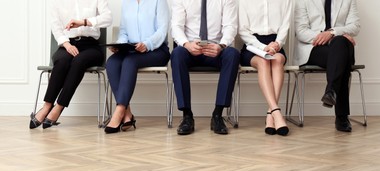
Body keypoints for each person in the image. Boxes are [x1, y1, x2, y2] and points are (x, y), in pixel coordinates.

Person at [29, 0, 112, 129]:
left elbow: (108, 18)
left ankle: (59, 107)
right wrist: (67, 45)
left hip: (91, 46)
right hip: (67, 44)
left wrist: (83, 22)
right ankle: (47, 106)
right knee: (62, 61)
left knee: (78, 61)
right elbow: (55, 26)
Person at [170, 0, 240, 135]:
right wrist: (186, 44)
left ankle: (218, 115)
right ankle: (187, 116)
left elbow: (230, 26)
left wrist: (221, 46)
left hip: (215, 49)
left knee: (233, 54)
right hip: (191, 49)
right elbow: (176, 26)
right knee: (177, 54)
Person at [104, 0, 171, 134]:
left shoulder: (159, 1)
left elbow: (163, 29)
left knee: (129, 62)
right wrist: (120, 45)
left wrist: (147, 43)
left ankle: (119, 110)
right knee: (111, 62)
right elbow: (123, 31)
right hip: (133, 50)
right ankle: (128, 114)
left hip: (157, 50)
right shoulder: (127, 3)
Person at [294, 0, 361, 132]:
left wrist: (333, 32)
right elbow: (301, 31)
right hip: (314, 48)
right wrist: (327, 37)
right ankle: (342, 116)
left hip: (341, 47)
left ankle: (331, 91)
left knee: (340, 45)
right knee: (341, 54)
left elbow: (355, 26)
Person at [238, 0, 292, 136]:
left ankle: (270, 114)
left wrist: (277, 45)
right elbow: (243, 31)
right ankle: (276, 112)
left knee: (278, 60)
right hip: (252, 45)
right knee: (263, 62)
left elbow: (285, 26)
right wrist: (263, 47)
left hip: (275, 44)